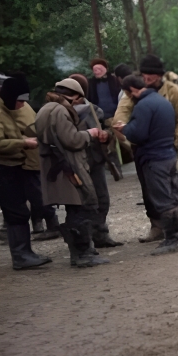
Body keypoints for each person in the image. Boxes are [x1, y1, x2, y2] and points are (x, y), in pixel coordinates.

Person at [113, 54, 178, 238]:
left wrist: (175, 142)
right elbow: (121, 114)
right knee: (149, 190)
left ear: (159, 76)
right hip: (142, 147)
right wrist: (127, 139)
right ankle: (156, 226)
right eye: (145, 75)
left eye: (151, 75)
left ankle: (175, 230)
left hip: (166, 146)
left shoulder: (172, 90)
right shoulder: (136, 90)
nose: (147, 79)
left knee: (173, 188)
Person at [36, 78, 111, 268]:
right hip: (68, 166)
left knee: (75, 208)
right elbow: (72, 140)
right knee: (80, 207)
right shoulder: (60, 111)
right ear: (75, 96)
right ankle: (82, 253)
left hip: (57, 165)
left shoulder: (46, 108)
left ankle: (83, 251)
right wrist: (90, 134)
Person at [0, 74, 51, 269]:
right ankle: (20, 255)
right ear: (9, 97)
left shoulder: (23, 107)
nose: (23, 104)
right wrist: (24, 142)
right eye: (19, 100)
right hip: (1, 168)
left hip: (21, 167)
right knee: (16, 212)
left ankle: (26, 252)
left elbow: (32, 126)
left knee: (29, 207)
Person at [67, 73, 123, 248]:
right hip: (76, 161)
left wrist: (105, 136)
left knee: (102, 199)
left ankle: (100, 234)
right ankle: (84, 239)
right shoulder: (63, 112)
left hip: (95, 158)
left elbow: (105, 129)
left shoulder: (93, 109)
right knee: (83, 203)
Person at [88, 58, 121, 128]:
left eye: (99, 69)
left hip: (116, 114)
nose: (97, 72)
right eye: (95, 70)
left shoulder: (114, 80)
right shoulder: (91, 83)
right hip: (98, 115)